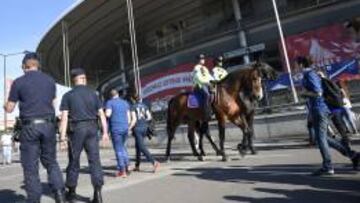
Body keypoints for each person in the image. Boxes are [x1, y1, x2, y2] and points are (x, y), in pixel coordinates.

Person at [3, 52, 66, 203]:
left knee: (31, 167)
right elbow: (53, 104)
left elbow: (10, 108)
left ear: (24, 66)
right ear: (38, 65)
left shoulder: (18, 82)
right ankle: (59, 194)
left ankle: (34, 200)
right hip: (49, 125)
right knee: (51, 162)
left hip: (30, 127)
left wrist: (6, 99)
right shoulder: (50, 81)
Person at [297, 56, 360, 176]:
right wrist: (310, 112)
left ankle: (328, 166)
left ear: (301, 64)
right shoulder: (308, 74)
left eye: (295, 64)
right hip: (316, 110)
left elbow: (318, 92)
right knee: (321, 138)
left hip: (320, 110)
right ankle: (353, 155)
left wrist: (304, 93)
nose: (295, 67)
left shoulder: (310, 74)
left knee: (320, 139)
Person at [59, 68, 109, 203]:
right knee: (94, 161)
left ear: (73, 80)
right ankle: (97, 194)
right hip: (93, 128)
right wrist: (105, 132)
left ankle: (72, 192)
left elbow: (64, 119)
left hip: (77, 130)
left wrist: (62, 138)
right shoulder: (94, 94)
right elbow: (102, 114)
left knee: (74, 161)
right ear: (83, 79)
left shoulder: (68, 95)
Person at [105, 89, 135, 178]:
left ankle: (122, 170)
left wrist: (103, 112)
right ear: (118, 94)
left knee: (118, 149)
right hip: (125, 128)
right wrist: (128, 126)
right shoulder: (125, 103)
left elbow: (108, 114)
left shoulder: (109, 102)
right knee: (123, 148)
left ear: (111, 95)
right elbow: (129, 118)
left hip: (116, 128)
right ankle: (128, 165)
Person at [131, 95, 160, 173]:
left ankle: (154, 162)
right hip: (145, 128)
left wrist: (129, 127)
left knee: (141, 147)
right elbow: (149, 117)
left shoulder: (133, 107)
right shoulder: (145, 106)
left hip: (137, 128)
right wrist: (144, 121)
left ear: (134, 100)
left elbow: (133, 120)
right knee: (138, 146)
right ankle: (137, 166)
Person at [192, 54, 214, 119]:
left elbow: (209, 77)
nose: (203, 60)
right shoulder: (196, 68)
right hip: (199, 86)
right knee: (207, 95)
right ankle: (206, 113)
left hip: (206, 85)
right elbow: (198, 77)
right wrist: (207, 83)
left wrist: (214, 81)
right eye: (201, 59)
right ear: (198, 60)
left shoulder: (205, 68)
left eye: (203, 58)